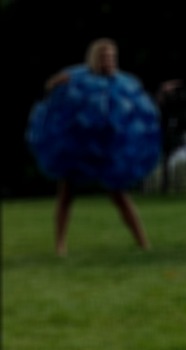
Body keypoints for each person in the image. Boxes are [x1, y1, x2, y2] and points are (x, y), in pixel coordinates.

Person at [27, 38, 160, 256]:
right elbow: (51, 94)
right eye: (103, 56)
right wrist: (53, 85)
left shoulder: (123, 83)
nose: (108, 60)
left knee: (119, 196)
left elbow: (137, 114)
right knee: (66, 194)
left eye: (111, 56)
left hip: (108, 152)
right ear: (94, 58)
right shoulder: (76, 77)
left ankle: (143, 242)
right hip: (78, 150)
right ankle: (60, 246)